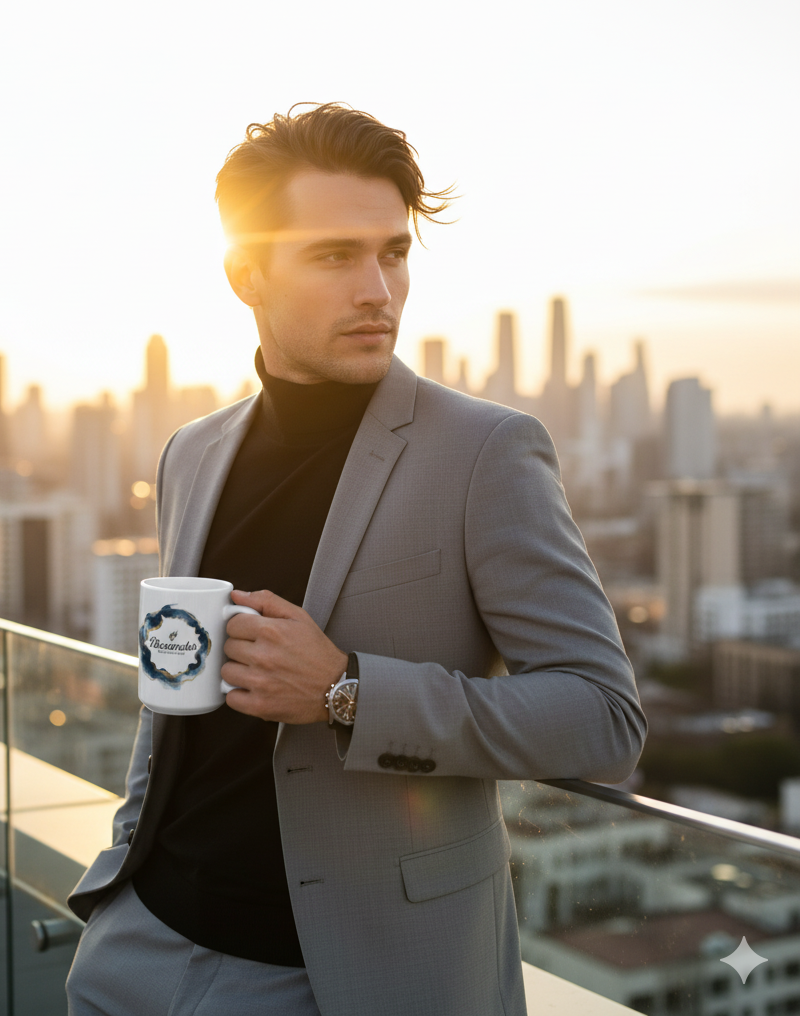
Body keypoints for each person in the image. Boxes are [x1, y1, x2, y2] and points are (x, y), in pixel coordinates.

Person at [66, 103, 646, 1016]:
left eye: (394, 253)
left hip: (348, 981)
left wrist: (346, 692)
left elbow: (603, 718)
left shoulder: (485, 453)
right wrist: (122, 877)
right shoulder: (192, 452)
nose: (378, 289)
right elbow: (173, 694)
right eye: (335, 256)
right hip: (138, 951)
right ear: (245, 272)